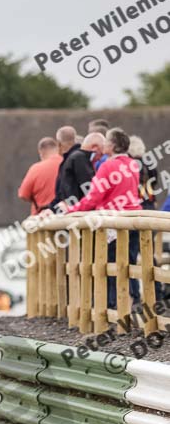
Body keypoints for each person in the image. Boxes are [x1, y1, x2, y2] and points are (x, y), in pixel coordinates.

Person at [61, 128, 141, 308]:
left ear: (112, 145)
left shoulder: (107, 166)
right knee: (129, 265)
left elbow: (94, 197)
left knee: (109, 267)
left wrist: (72, 210)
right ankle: (133, 303)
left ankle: (111, 308)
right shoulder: (133, 164)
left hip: (112, 223)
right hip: (134, 220)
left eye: (106, 141)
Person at [57, 132, 105, 203]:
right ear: (94, 148)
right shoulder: (80, 159)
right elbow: (89, 188)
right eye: (101, 154)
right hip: (77, 206)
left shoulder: (74, 157)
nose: (100, 159)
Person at [18, 137, 62, 215]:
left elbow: (23, 194)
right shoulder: (68, 163)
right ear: (58, 149)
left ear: (41, 153)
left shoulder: (35, 169)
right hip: (67, 214)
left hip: (43, 216)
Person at [49, 126, 80, 209]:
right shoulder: (79, 157)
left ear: (59, 144)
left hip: (71, 210)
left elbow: (62, 192)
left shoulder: (70, 161)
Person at [129, 135, 159, 210]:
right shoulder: (149, 163)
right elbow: (154, 182)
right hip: (149, 202)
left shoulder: (128, 165)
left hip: (134, 204)